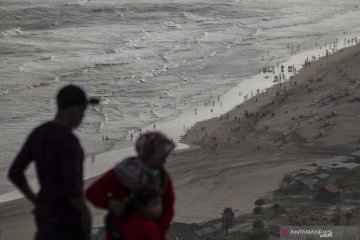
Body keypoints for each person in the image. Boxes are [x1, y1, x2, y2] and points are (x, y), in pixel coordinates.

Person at [8, 84, 99, 240]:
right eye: (84, 109)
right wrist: (85, 212)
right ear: (74, 110)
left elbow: (15, 173)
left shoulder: (39, 132)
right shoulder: (69, 141)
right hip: (67, 219)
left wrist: (36, 201)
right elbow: (71, 187)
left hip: (44, 216)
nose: (83, 115)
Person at [86, 131, 175, 240]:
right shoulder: (123, 172)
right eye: (161, 156)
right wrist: (111, 203)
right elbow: (92, 192)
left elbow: (168, 209)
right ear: (149, 155)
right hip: (120, 234)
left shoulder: (162, 177)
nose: (164, 160)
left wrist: (158, 231)